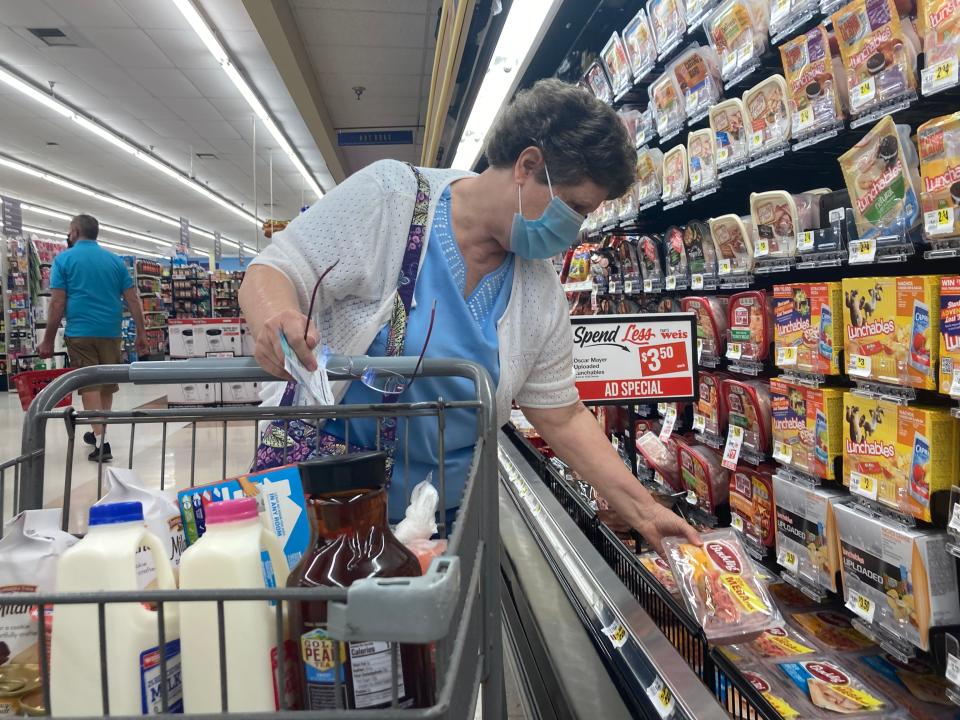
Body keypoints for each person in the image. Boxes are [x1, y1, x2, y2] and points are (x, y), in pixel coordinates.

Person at [240, 79, 699, 554]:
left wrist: (644, 511)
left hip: (436, 524)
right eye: (575, 207)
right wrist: (276, 317)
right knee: (318, 622)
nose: (576, 228)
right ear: (528, 165)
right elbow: (276, 268)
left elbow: (562, 415)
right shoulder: (392, 197)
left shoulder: (539, 291)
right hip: (328, 501)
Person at [39, 214, 149, 461]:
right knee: (106, 384)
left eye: (69, 231)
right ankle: (99, 432)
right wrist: (141, 333)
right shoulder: (114, 261)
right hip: (111, 331)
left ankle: (102, 442)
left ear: (76, 231)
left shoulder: (64, 259)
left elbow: (57, 302)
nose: (68, 235)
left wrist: (47, 339)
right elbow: (133, 299)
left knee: (90, 384)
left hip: (80, 332)